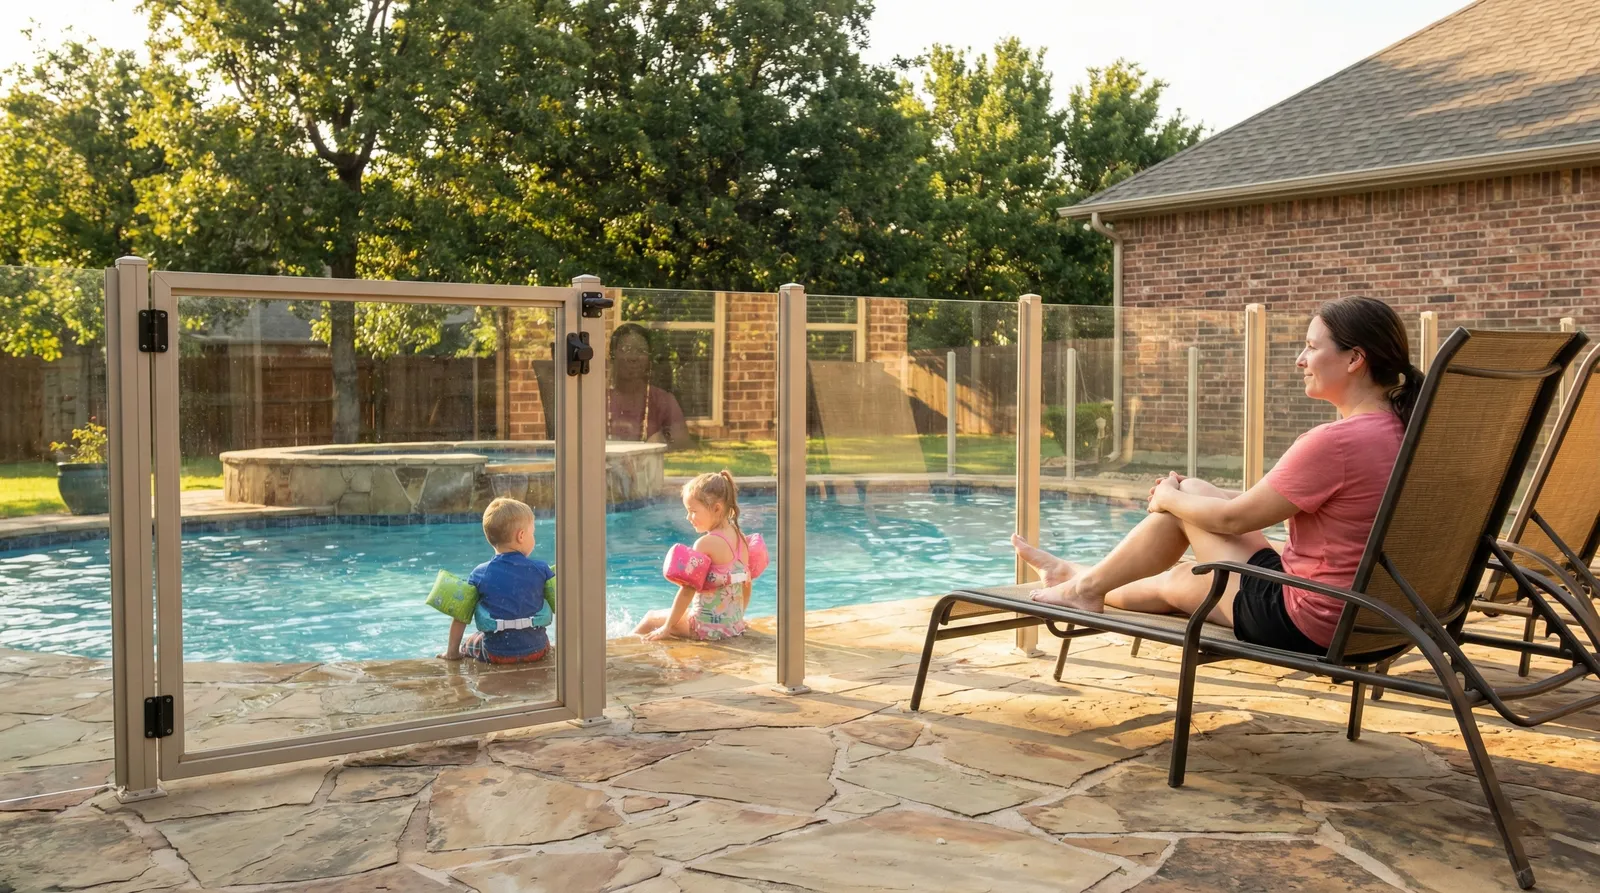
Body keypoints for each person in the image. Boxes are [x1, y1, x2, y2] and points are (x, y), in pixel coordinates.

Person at [1014, 295, 1422, 656]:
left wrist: (1170, 498)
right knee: (1180, 564)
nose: (1300, 359)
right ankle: (1079, 581)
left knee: (1186, 511)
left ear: (1354, 359)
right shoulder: (1410, 431)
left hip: (1310, 620)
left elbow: (1232, 520)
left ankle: (1083, 588)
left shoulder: (1336, 442)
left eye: (1312, 347)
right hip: (1379, 616)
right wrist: (1187, 496)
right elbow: (1289, 502)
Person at [636, 470, 752, 641]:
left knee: (650, 618)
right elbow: (747, 582)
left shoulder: (706, 543)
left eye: (693, 511)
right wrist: (738, 618)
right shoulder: (740, 537)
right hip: (732, 626)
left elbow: (687, 590)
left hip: (705, 629)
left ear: (717, 508)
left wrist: (666, 628)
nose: (688, 517)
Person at [439, 497, 553, 663]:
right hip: (537, 651)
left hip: (497, 655)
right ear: (521, 536)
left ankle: (458, 651)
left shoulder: (480, 574)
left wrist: (452, 653)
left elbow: (460, 617)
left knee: (471, 641)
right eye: (532, 533)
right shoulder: (541, 569)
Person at [608, 322, 692, 448]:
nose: (633, 357)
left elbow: (683, 448)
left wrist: (663, 443)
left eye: (641, 350)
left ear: (649, 359)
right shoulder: (598, 401)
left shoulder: (664, 401)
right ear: (613, 356)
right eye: (626, 349)